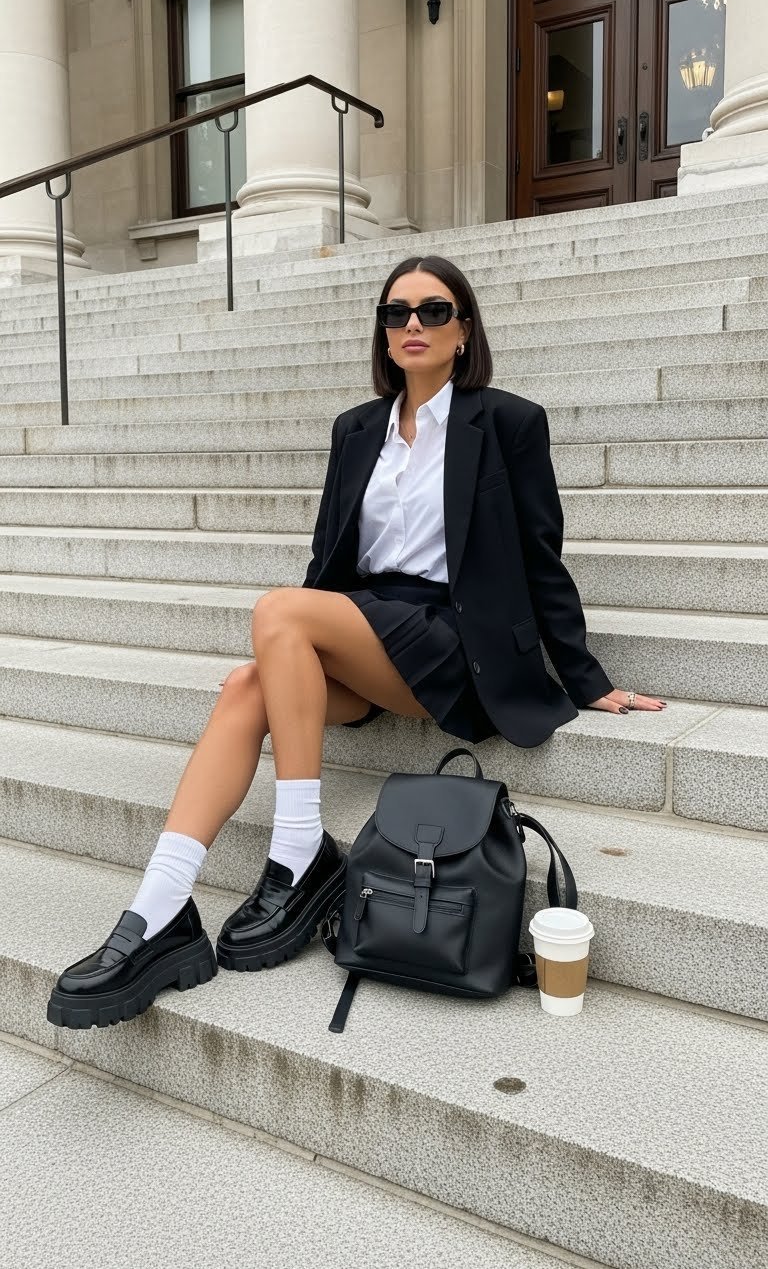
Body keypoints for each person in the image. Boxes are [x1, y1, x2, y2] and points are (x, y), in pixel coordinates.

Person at [47, 254, 666, 1030]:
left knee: (280, 613)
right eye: (396, 312)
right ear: (382, 331)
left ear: (464, 330)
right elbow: (327, 561)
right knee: (248, 686)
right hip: (372, 622)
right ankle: (158, 911)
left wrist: (582, 675)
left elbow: (542, 557)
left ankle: (301, 852)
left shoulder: (508, 421)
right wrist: (285, 652)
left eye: (434, 311)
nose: (413, 324)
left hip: (456, 636)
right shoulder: (357, 429)